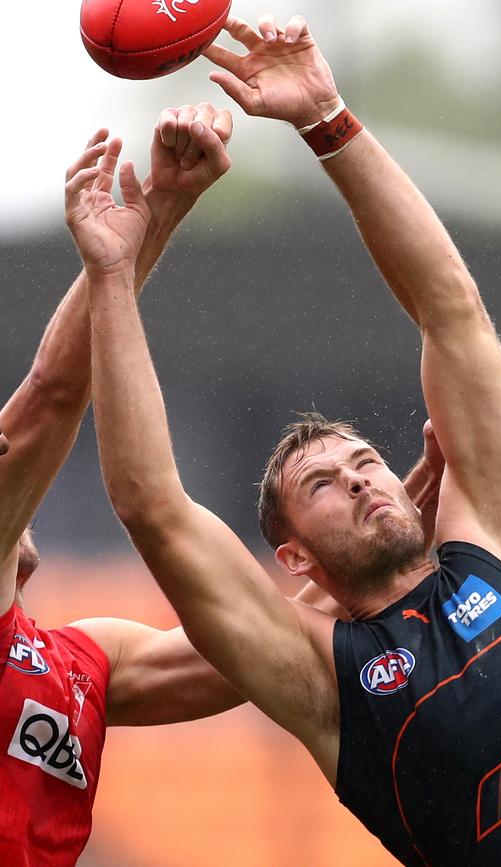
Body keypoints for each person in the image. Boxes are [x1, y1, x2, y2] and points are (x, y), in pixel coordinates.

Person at [80, 13, 501, 867]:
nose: (358, 480)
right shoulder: (323, 682)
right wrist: (113, 278)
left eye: (365, 461)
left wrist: (325, 118)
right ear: (297, 560)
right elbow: (152, 507)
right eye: (322, 485)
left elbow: (451, 310)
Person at [0, 104, 248, 867]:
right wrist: (162, 209)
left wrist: (393, 551)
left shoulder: (74, 661)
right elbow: (49, 397)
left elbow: (245, 653)